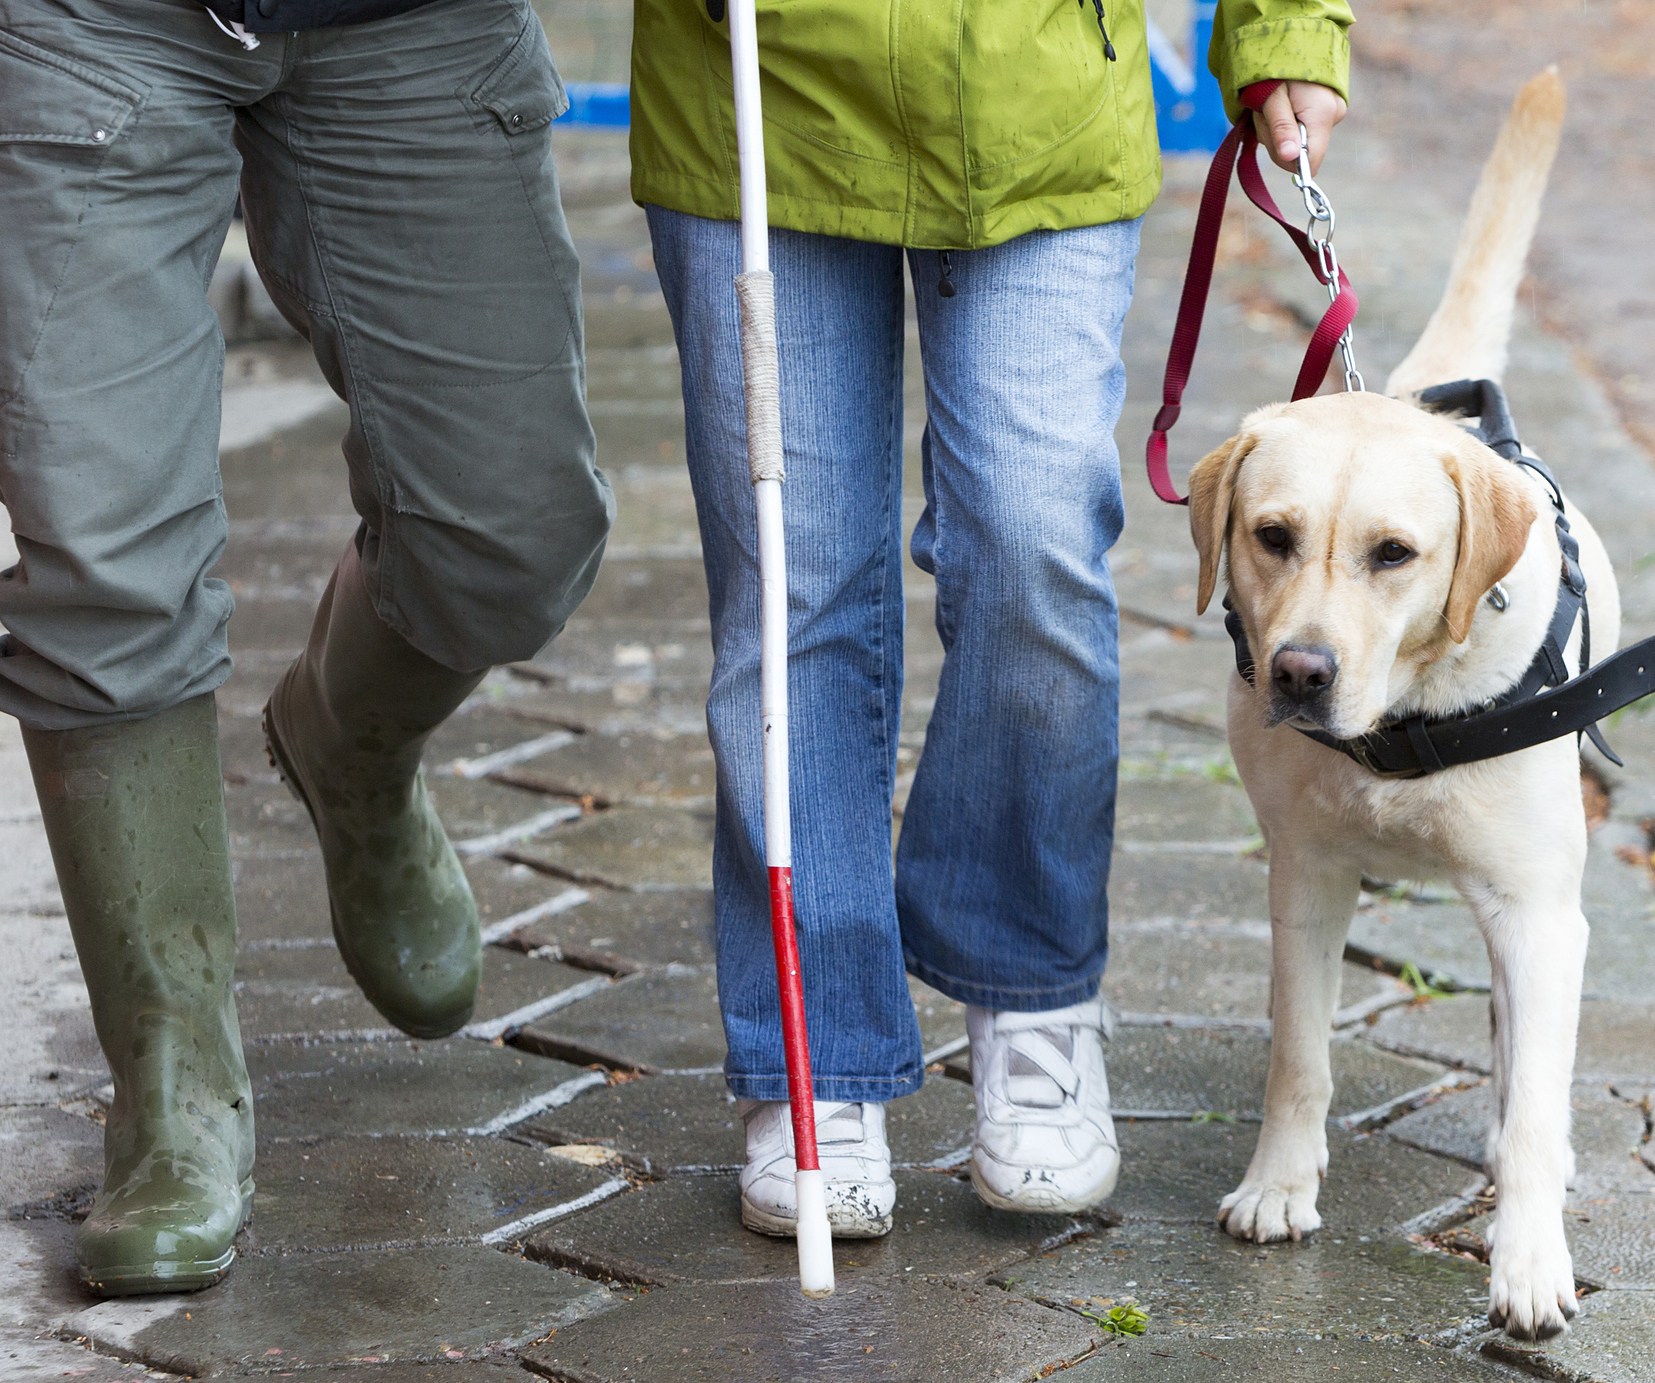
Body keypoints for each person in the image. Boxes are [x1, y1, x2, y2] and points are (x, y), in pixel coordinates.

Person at [629, 0, 1352, 1235]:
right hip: (757, 85)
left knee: (1035, 542)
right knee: (791, 584)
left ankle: (1031, 991)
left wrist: (1285, 23)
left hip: (1037, 98)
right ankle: (818, 1055)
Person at [0, 0, 609, 1294]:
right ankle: (173, 1069)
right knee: (99, 547)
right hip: (89, 24)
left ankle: (351, 745)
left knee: (512, 526)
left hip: (413, 21)